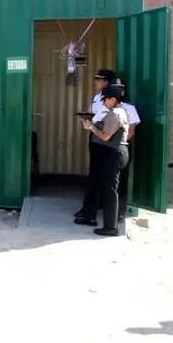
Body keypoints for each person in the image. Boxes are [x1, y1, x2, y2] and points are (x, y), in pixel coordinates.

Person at [75, 84, 131, 236]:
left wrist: (91, 127)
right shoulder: (119, 111)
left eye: (105, 99)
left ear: (113, 99)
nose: (104, 102)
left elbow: (106, 136)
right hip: (117, 152)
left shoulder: (115, 114)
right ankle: (110, 225)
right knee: (110, 190)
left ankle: (111, 227)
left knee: (110, 191)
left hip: (114, 153)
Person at [73, 68, 116, 222]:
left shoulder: (112, 100)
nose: (96, 82)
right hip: (96, 134)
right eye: (96, 79)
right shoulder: (97, 97)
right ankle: (89, 208)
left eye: (100, 80)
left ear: (107, 82)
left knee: (101, 176)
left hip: (106, 136)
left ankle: (91, 212)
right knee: (94, 174)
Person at [111, 79, 141, 219]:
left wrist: (119, 142)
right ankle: (107, 208)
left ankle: (119, 211)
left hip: (121, 146)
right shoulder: (106, 107)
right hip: (106, 146)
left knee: (121, 181)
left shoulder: (129, 108)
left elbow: (132, 131)